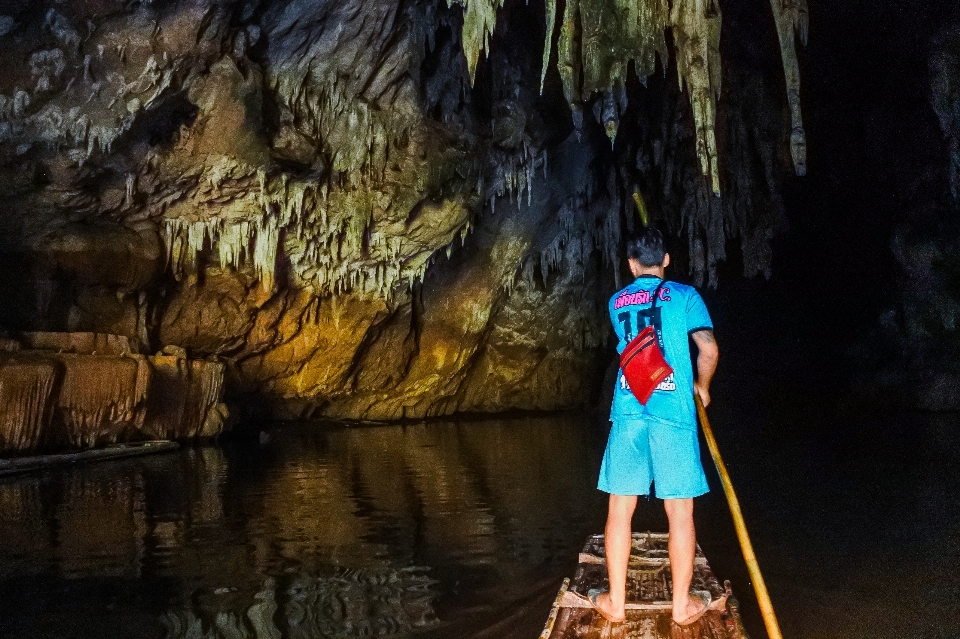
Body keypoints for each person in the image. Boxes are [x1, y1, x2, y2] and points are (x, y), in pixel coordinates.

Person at [588, 226, 719, 630]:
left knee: (619, 509)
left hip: (629, 411)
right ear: (666, 259)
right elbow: (709, 349)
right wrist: (703, 387)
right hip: (674, 414)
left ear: (630, 264)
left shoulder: (616, 301)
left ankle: (615, 602)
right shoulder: (684, 296)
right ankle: (682, 606)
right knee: (680, 512)